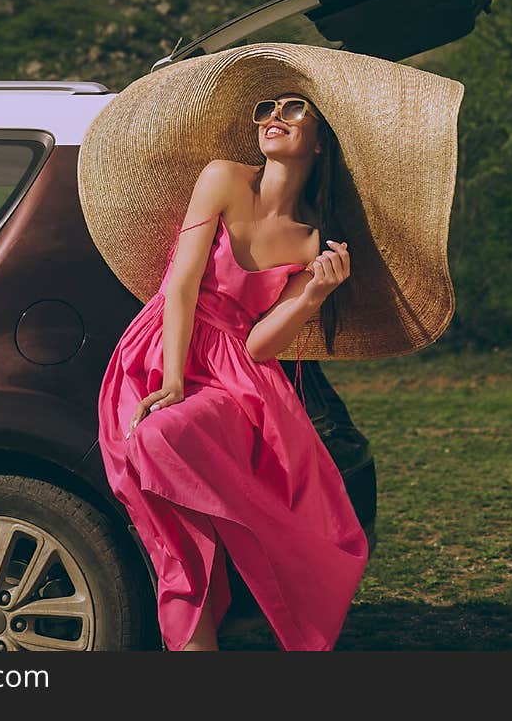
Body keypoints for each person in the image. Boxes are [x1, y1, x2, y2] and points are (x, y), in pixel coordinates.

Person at [96, 92, 370, 651]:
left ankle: (239, 599)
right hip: (160, 351)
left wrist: (313, 293)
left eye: (295, 110)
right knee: (154, 447)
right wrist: (173, 380)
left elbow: (261, 345)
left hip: (237, 373)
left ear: (320, 141)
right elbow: (182, 285)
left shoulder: (311, 238)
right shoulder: (222, 177)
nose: (274, 116)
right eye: (267, 107)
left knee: (171, 442)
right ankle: (198, 627)